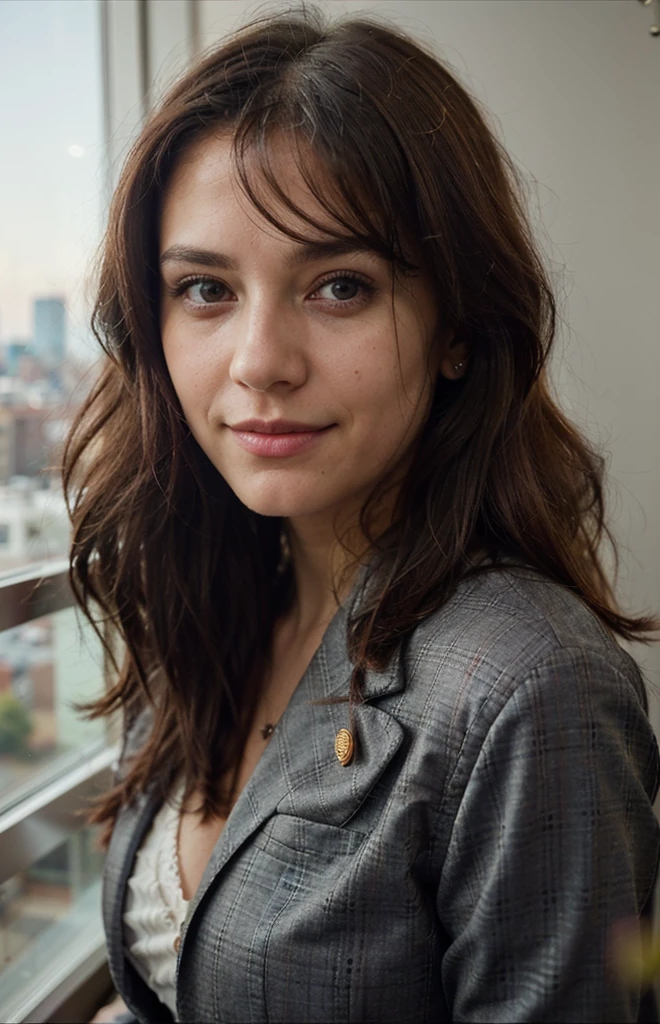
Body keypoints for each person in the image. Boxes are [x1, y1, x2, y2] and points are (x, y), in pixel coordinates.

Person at [67, 4, 660, 1022]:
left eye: (339, 285)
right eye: (205, 289)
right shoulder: (203, 596)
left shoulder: (527, 684)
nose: (259, 362)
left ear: (458, 330)